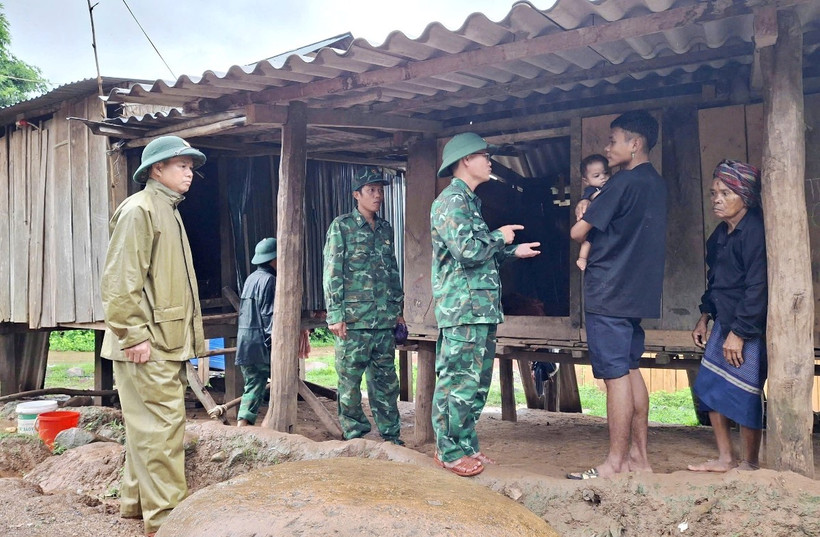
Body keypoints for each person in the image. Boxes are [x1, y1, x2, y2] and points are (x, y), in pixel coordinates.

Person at [100, 135, 207, 536]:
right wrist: (133, 335)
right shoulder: (140, 209)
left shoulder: (166, 209)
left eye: (191, 166)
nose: (189, 172)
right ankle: (166, 520)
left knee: (146, 425)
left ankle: (135, 505)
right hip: (148, 343)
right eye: (181, 165)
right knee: (163, 429)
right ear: (156, 170)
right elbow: (120, 281)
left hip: (162, 340)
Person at [431, 132, 541, 477]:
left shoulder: (469, 202)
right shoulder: (451, 202)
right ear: (466, 160)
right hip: (461, 309)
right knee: (457, 380)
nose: (489, 161)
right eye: (484, 155)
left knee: (476, 383)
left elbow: (478, 256)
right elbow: (467, 252)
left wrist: (511, 251)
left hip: (479, 308)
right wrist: (500, 236)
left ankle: (466, 445)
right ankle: (448, 451)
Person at [568, 111, 667, 479]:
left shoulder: (622, 183)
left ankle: (614, 463)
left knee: (614, 377)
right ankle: (640, 460)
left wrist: (584, 208)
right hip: (636, 293)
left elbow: (579, 233)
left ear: (634, 144)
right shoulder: (655, 183)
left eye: (613, 140)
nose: (607, 147)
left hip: (608, 291)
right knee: (630, 369)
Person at [688, 160, 767, 472]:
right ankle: (725, 457)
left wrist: (740, 332)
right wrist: (705, 316)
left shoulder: (755, 233)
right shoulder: (720, 234)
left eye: (725, 193)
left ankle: (750, 463)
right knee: (709, 385)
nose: (716, 199)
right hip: (725, 322)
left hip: (748, 326)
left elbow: (758, 286)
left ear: (744, 196)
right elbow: (715, 281)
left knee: (745, 392)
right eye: (713, 193)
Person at [322, 167, 405, 445]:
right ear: (356, 194)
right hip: (354, 321)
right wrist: (335, 314)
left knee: (386, 382)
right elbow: (332, 271)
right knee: (349, 382)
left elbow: (392, 272)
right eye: (371, 190)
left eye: (380, 190)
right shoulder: (342, 226)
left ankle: (391, 435)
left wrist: (398, 311)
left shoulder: (385, 229)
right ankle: (356, 434)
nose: (378, 195)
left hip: (383, 320)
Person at [235, 237, 278, 427]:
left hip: (245, 341)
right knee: (261, 384)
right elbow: (268, 314)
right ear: (273, 259)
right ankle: (244, 425)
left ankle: (245, 424)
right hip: (260, 342)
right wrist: (275, 340)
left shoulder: (251, 279)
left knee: (252, 383)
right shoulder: (270, 280)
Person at [575, 154, 611, 270]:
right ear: (586, 180)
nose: (603, 178)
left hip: (604, 223)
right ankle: (582, 258)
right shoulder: (591, 190)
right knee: (588, 241)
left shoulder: (611, 186)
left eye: (606, 173)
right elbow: (591, 197)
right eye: (597, 175)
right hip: (593, 223)